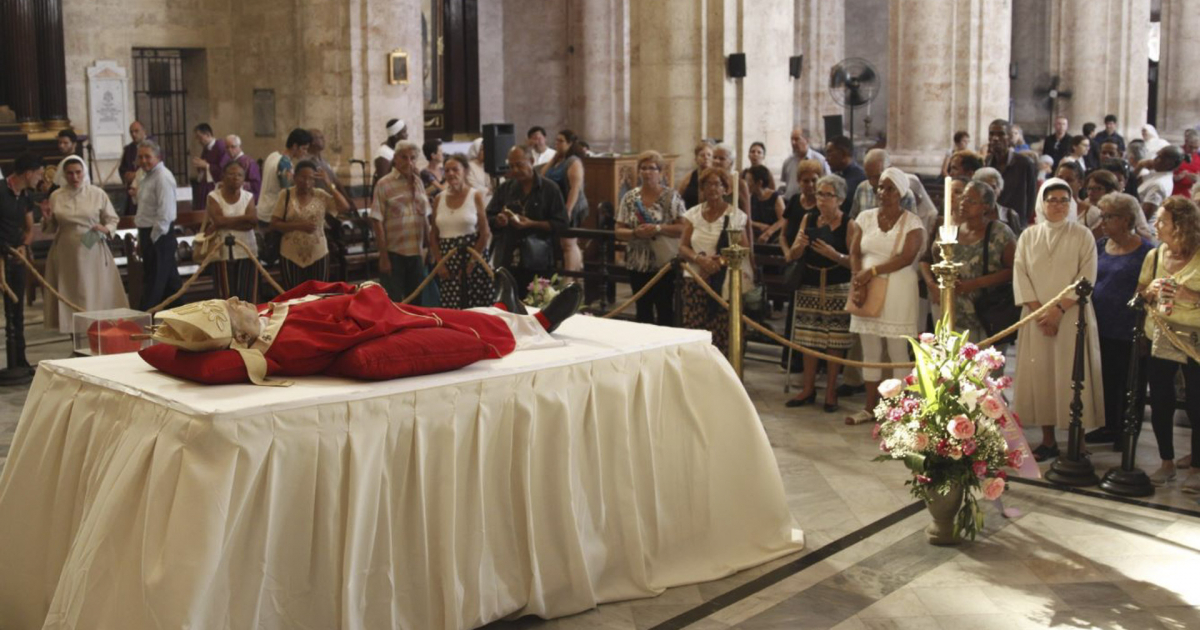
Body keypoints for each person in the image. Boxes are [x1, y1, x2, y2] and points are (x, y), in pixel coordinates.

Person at [142, 274, 585, 386]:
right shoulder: (283, 343)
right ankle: (541, 323)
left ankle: (503, 306)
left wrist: (345, 290)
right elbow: (346, 332)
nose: (238, 300)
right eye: (231, 309)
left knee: (459, 313)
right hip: (383, 318)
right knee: (457, 323)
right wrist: (368, 294)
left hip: (376, 303)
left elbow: (310, 296)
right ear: (236, 336)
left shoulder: (261, 314)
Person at [1012, 178, 1104, 461]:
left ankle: (1077, 439)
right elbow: (1021, 275)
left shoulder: (1082, 235)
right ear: (1042, 202)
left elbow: (1086, 276)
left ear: (1072, 203)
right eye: (1052, 200)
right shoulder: (1029, 236)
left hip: (1072, 316)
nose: (1058, 205)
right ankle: (1048, 439)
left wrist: (1058, 310)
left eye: (1064, 200)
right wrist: (1041, 312)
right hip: (1037, 318)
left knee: (1072, 376)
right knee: (1041, 376)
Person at [845, 167, 926, 425]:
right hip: (866, 286)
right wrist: (858, 277)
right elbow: (855, 250)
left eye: (889, 188)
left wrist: (874, 271)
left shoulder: (912, 222)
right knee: (870, 349)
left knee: (897, 351)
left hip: (898, 288)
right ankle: (870, 407)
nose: (883, 192)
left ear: (901, 192)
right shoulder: (865, 218)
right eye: (880, 187)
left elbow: (906, 257)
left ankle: (898, 410)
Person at [1139, 196, 1200, 489]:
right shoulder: (1154, 255)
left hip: (1195, 337)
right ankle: (1166, 461)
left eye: (1163, 221)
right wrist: (1150, 290)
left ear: (1182, 226)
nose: (1156, 225)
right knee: (1161, 399)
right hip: (1160, 333)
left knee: (1196, 402)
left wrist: (1189, 296)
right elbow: (1140, 292)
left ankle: (1198, 464)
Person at [1087, 192, 1153, 447]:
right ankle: (1108, 426)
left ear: (1127, 220)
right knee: (1105, 380)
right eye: (1102, 216)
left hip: (1129, 327)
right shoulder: (1102, 245)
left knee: (1130, 382)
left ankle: (1127, 432)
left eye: (1109, 217)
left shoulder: (1146, 250)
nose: (1103, 222)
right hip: (1100, 325)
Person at [781, 173, 852, 412]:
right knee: (808, 340)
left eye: (828, 195)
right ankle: (808, 388)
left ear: (840, 199)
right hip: (809, 284)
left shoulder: (849, 224)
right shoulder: (809, 218)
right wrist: (799, 246)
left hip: (837, 286)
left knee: (835, 340)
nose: (822, 199)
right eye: (820, 194)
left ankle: (831, 391)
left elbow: (855, 262)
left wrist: (835, 255)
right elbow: (791, 255)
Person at [42, 156, 128, 333]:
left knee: (92, 293)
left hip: (92, 249)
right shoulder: (56, 196)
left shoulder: (97, 194)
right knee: (69, 294)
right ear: (64, 175)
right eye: (70, 173)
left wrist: (105, 229)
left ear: (84, 172)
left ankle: (96, 334)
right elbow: (51, 227)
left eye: (78, 172)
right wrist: (47, 218)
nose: (74, 177)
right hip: (66, 252)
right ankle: (73, 335)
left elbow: (113, 219)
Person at [678, 167, 751, 355]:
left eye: (717, 184)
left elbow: (743, 249)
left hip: (723, 282)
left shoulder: (735, 215)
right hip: (695, 278)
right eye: (708, 184)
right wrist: (700, 260)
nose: (712, 188)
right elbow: (683, 247)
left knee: (720, 334)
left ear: (725, 189)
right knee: (695, 331)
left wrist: (718, 262)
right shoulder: (693, 214)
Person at [935, 180, 1016, 343]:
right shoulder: (953, 231)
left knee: (988, 365)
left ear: (986, 206)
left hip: (991, 312)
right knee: (961, 365)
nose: (964, 203)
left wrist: (975, 283)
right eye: (963, 198)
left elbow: (1013, 270)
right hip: (959, 313)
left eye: (971, 201)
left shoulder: (999, 232)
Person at [615, 150, 686, 325]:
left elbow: (682, 228)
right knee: (643, 310)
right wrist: (634, 233)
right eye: (643, 168)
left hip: (664, 264)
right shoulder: (630, 198)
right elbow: (618, 230)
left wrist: (658, 228)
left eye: (652, 168)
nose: (647, 172)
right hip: (637, 263)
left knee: (665, 310)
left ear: (661, 172)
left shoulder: (671, 197)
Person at [486, 145, 568, 297]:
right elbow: (489, 217)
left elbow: (562, 223)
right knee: (507, 305)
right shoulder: (505, 189)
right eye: (511, 166)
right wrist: (498, 220)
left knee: (536, 306)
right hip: (508, 258)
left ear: (531, 161)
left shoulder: (549, 189)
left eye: (519, 164)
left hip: (539, 260)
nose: (515, 170)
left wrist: (532, 224)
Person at [272, 160, 350, 289]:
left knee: (318, 294)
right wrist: (298, 226)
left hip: (318, 254)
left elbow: (344, 207)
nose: (306, 182)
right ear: (295, 177)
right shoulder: (285, 195)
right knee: (293, 296)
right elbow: (275, 224)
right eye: (303, 177)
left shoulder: (321, 195)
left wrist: (329, 184)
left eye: (311, 178)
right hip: (290, 254)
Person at [369, 143, 431, 301]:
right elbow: (377, 221)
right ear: (395, 158)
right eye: (404, 157)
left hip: (416, 252)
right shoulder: (384, 184)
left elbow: (424, 216)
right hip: (394, 253)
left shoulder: (418, 182)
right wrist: (383, 257)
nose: (408, 162)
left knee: (416, 302)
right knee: (393, 302)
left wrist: (429, 247)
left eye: (413, 158)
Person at [430, 154, 492, 309]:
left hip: (473, 257)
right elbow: (433, 236)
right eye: (447, 170)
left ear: (464, 171)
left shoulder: (475, 195)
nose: (451, 174)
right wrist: (440, 264)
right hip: (448, 260)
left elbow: (485, 233)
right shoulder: (439, 198)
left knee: (476, 309)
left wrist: (471, 264)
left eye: (455, 169)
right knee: (452, 309)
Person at [1, 154, 41, 371]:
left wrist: (23, 247)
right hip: (1, 256)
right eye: (39, 173)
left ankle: (19, 360)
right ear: (28, 173)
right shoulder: (0, 190)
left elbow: (29, 228)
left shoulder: (25, 196)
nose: (41, 178)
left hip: (16, 257)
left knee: (16, 311)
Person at [134, 140, 183, 311]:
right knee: (171, 285)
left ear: (158, 157)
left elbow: (165, 214)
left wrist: (152, 239)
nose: (144, 161)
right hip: (148, 233)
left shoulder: (163, 177)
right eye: (140, 157)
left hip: (159, 235)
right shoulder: (145, 176)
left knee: (153, 284)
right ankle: (182, 318)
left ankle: (144, 320)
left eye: (148, 157)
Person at [204, 160, 260, 301]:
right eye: (231, 174)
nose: (236, 178)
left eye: (240, 175)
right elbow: (218, 220)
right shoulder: (213, 196)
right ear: (223, 176)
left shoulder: (248, 197)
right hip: (221, 250)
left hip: (247, 250)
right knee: (225, 295)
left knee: (247, 295)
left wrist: (225, 222)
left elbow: (252, 221)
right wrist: (243, 219)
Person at [541, 130, 588, 272]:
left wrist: (568, 210)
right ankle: (577, 269)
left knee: (568, 243)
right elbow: (542, 175)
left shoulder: (573, 162)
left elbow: (575, 188)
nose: (557, 144)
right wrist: (554, 159)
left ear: (570, 143)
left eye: (560, 141)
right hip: (558, 205)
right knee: (565, 243)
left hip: (572, 206)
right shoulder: (558, 160)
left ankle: (570, 277)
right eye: (556, 141)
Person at [985, 118, 1038, 223]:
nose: (995, 138)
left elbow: (1031, 197)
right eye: (991, 134)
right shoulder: (988, 163)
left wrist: (1022, 221)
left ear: (1009, 138)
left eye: (1001, 134)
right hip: (992, 221)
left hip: (1015, 222)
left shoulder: (1025, 163)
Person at [259, 128, 312, 229]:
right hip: (273, 213)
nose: (305, 152)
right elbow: (287, 192)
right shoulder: (285, 163)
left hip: (262, 209)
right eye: (304, 149)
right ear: (295, 146)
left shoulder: (272, 156)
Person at [1086, 169, 1153, 241]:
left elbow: (1147, 236)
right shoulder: (1085, 204)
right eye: (1089, 188)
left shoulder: (1126, 203)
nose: (1091, 193)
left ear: (1111, 190)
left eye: (1097, 189)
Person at [972, 167, 1026, 236]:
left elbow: (1017, 241)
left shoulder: (1009, 215)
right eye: (986, 187)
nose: (990, 191)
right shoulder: (970, 212)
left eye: (994, 187)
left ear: (1000, 189)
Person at [780, 128, 830, 202]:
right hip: (790, 202)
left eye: (797, 139)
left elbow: (827, 182)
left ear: (806, 140)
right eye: (792, 139)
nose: (793, 143)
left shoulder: (820, 160)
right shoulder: (788, 162)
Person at [1139, 145, 1185, 222]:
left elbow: (1144, 217)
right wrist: (1140, 165)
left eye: (1160, 157)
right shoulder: (1156, 174)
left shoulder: (1159, 184)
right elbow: (1131, 184)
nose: (1154, 159)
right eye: (1157, 156)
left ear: (1170, 164)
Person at [190, 123, 227, 211]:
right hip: (205, 186)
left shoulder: (220, 146)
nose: (198, 141)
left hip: (215, 187)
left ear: (208, 134)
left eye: (200, 137)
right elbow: (204, 166)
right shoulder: (206, 148)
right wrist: (200, 165)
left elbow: (223, 169)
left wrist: (206, 165)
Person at [825, 136, 865, 215]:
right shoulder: (835, 177)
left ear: (843, 154)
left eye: (830, 153)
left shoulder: (860, 179)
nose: (826, 159)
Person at [747, 165, 786, 242]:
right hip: (755, 234)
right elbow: (746, 219)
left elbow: (783, 219)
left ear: (759, 183)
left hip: (774, 236)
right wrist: (758, 225)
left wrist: (768, 233)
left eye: (749, 181)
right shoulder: (751, 197)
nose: (746, 184)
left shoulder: (775, 197)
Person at [119, 121, 150, 215]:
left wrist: (136, 175)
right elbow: (122, 169)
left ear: (144, 131)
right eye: (131, 132)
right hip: (132, 192)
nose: (133, 134)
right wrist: (126, 176)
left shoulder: (152, 147)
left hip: (147, 192)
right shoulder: (129, 149)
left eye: (136, 131)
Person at [219, 134, 262, 202]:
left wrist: (237, 183)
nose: (230, 150)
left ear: (240, 147)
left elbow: (255, 185)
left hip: (245, 200)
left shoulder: (249, 162)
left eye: (233, 147)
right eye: (227, 147)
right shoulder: (227, 162)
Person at [850, 149, 889, 220]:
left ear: (889, 169)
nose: (872, 182)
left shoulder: (904, 194)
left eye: (877, 177)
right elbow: (853, 220)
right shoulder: (862, 189)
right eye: (869, 177)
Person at [308, 129, 345, 199]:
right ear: (312, 141)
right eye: (321, 138)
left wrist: (347, 199)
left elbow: (336, 181)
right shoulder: (308, 162)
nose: (324, 140)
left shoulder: (324, 161)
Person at [677, 140, 714, 209]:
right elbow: (678, 197)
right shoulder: (689, 177)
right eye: (702, 155)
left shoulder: (717, 176)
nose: (706, 158)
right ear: (696, 159)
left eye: (709, 155)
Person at [1173, 128, 1200, 197]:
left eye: (1196, 148)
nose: (1193, 150)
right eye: (1190, 147)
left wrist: (1197, 179)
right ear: (1186, 141)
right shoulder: (1175, 153)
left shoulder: (1198, 157)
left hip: (1191, 195)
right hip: (1175, 193)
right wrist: (1176, 177)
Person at [466, 138, 493, 205]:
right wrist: (488, 190)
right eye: (482, 149)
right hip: (477, 202)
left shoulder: (488, 165)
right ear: (476, 150)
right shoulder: (469, 166)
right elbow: (472, 185)